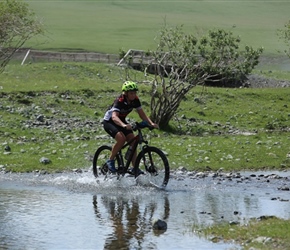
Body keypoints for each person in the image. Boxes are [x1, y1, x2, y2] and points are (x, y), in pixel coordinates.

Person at [102, 81, 158, 174]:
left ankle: (134, 167)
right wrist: (123, 125)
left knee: (133, 141)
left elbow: (142, 114)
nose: (133, 95)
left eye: (135, 92)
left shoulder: (135, 100)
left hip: (122, 120)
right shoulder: (119, 100)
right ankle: (110, 160)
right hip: (110, 121)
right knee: (121, 139)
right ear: (126, 93)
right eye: (131, 93)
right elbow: (114, 116)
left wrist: (151, 123)